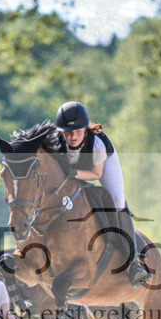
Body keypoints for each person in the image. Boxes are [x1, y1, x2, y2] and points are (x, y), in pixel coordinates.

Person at [53, 101, 151, 287]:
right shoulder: (55, 142)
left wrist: (72, 174)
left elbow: (95, 174)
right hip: (74, 168)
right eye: (67, 132)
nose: (72, 136)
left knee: (117, 201)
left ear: (85, 129)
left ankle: (134, 262)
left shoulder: (97, 143)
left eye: (77, 131)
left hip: (100, 166)